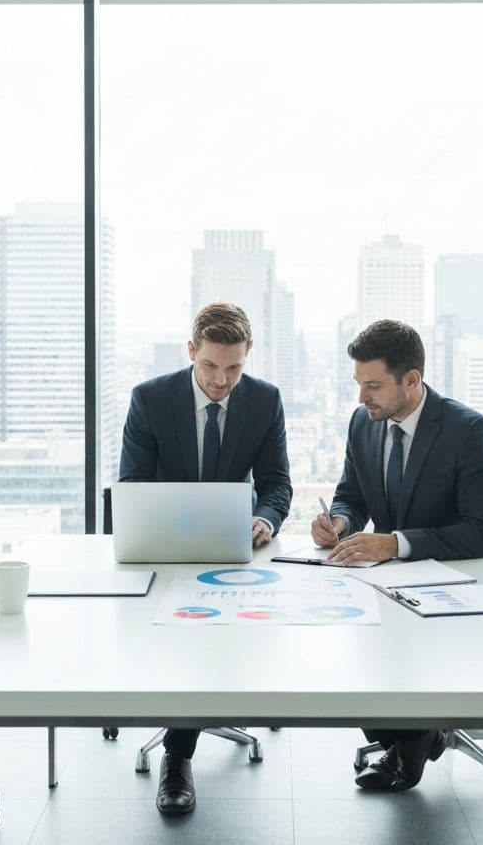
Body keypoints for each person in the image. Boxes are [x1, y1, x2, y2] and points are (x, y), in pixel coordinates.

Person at [310, 318, 483, 793]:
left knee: (399, 661)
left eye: (373, 386)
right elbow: (351, 496)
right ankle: (415, 734)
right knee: (350, 658)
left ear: (412, 380)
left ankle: (410, 748)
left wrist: (396, 542)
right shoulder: (364, 423)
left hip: (451, 592)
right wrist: (339, 523)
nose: (362, 398)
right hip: (382, 586)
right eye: (358, 384)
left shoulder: (469, 431)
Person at [119, 301, 292, 815]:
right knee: (184, 640)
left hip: (231, 552)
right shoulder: (151, 400)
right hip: (166, 553)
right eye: (212, 366)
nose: (222, 380)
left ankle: (183, 742)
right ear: (191, 351)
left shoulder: (263, 401)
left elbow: (277, 483)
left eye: (235, 367)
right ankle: (178, 757)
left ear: (248, 356)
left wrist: (265, 519)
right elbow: (132, 487)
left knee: (210, 638)